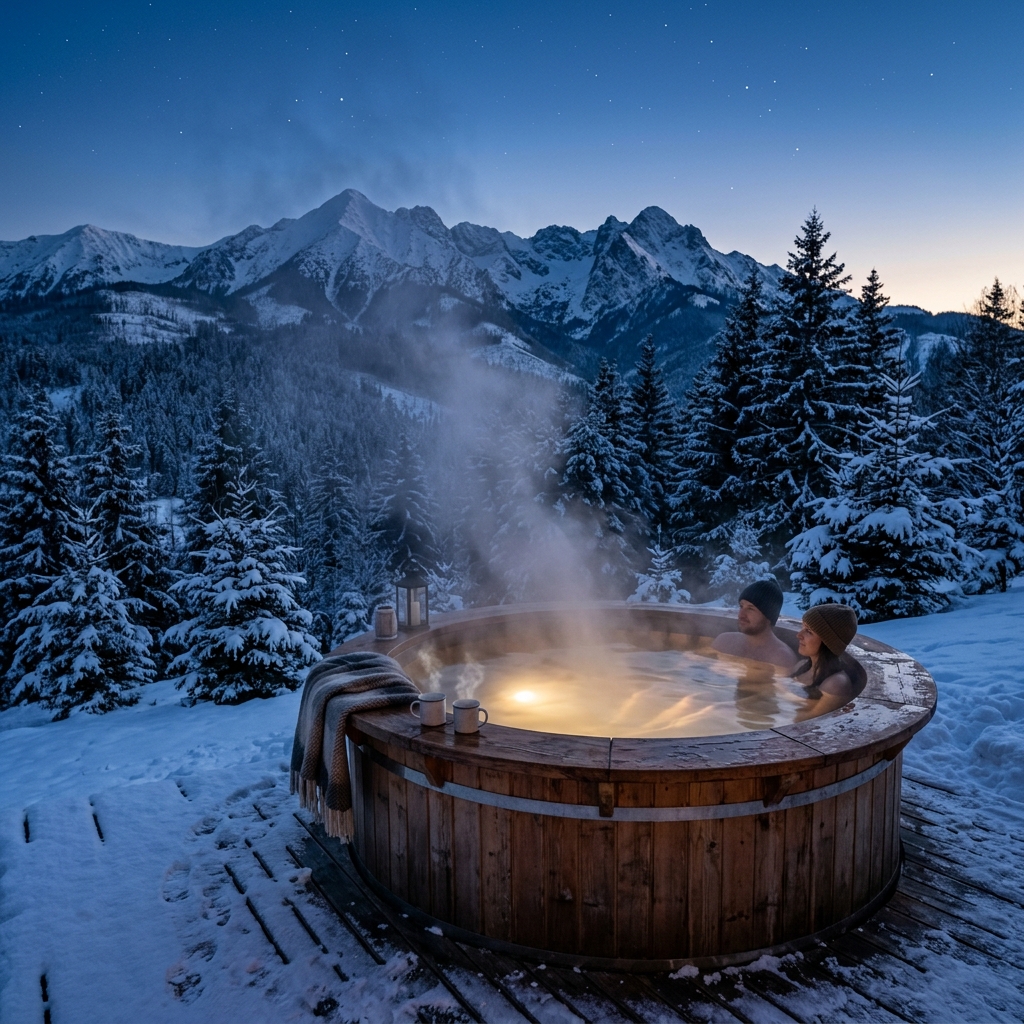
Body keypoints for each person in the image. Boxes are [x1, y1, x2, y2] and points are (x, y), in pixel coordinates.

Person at [792, 602, 866, 718]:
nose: (799, 635)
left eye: (809, 631)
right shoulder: (801, 666)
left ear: (828, 642)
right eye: (802, 627)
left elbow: (809, 722)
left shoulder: (836, 683)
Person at [712, 579, 798, 670]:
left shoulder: (782, 659)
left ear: (769, 616)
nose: (741, 615)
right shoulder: (723, 642)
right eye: (741, 606)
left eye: (750, 609)